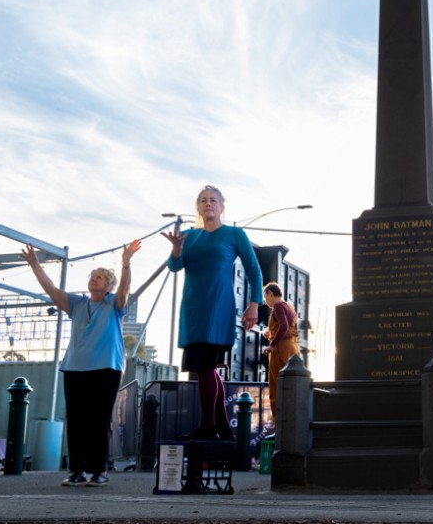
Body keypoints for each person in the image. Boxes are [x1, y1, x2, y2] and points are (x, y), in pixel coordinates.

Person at [22, 239, 141, 486]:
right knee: (76, 422)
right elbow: (50, 289)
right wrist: (34, 264)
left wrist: (126, 263)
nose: (93, 279)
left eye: (99, 277)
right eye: (92, 276)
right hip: (75, 368)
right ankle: (77, 471)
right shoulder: (77, 304)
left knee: (99, 421)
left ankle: (99, 471)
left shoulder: (114, 303)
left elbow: (125, 289)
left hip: (106, 368)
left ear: (108, 286)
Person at [164, 186, 263, 441]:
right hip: (192, 309)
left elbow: (254, 270)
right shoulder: (188, 236)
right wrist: (176, 249)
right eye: (203, 200)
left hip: (218, 308)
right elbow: (174, 266)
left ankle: (207, 426)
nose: (208, 203)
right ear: (198, 207)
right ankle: (222, 428)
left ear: (221, 206)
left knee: (206, 366)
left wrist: (254, 304)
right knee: (205, 368)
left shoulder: (234, 234)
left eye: (213, 200)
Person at [261, 282, 301, 431]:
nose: (265, 301)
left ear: (271, 294)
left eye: (265, 297)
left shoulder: (277, 306)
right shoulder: (289, 306)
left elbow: (283, 326)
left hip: (280, 350)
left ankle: (279, 429)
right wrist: (271, 333)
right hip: (292, 349)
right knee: (291, 389)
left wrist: (272, 345)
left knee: (277, 390)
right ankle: (292, 426)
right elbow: (288, 328)